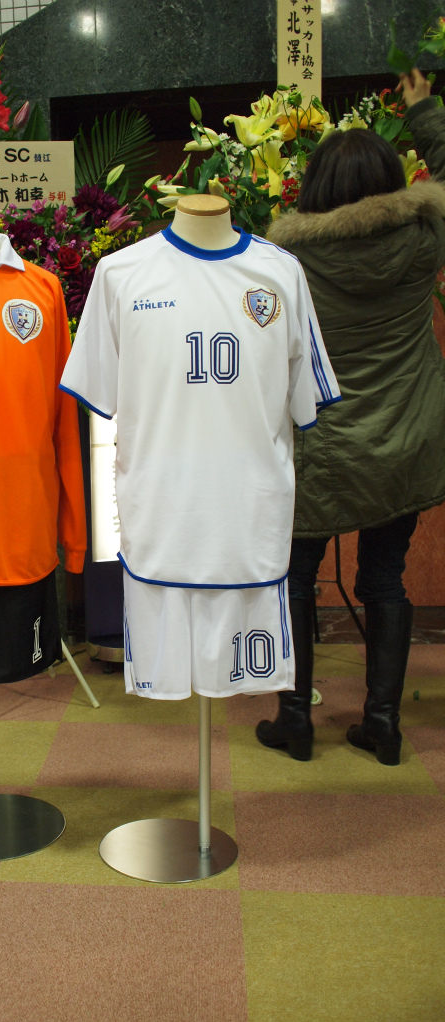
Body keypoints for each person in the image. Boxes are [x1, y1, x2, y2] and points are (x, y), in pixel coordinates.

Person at [256, 69, 445, 765]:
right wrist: (424, 111)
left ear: (314, 189)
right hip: (407, 437)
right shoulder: (426, 239)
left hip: (321, 446)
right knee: (385, 577)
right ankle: (382, 724)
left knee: (295, 577)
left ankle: (295, 721)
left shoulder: (284, 262)